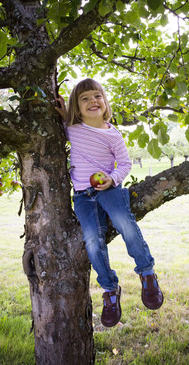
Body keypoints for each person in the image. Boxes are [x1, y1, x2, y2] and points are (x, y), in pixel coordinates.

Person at [56, 78, 163, 327]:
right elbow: (60, 128)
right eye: (84, 98)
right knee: (93, 239)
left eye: (97, 96)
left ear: (104, 102)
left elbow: (124, 164)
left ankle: (147, 273)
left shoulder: (113, 134)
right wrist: (63, 114)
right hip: (83, 195)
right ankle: (110, 290)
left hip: (109, 189)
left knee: (124, 223)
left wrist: (112, 179)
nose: (93, 101)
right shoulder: (72, 128)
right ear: (76, 106)